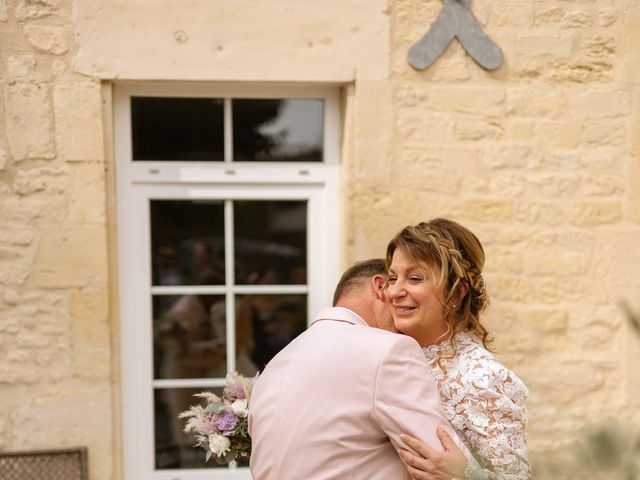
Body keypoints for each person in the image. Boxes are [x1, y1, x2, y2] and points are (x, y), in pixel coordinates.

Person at [248, 259, 470, 480]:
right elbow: (442, 457)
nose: (403, 322)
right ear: (381, 287)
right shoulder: (388, 350)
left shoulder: (274, 366)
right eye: (395, 284)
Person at [385, 219, 532, 480]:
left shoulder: (482, 378)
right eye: (392, 278)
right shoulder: (388, 357)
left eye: (415, 278)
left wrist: (464, 475)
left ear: (456, 293)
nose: (395, 291)